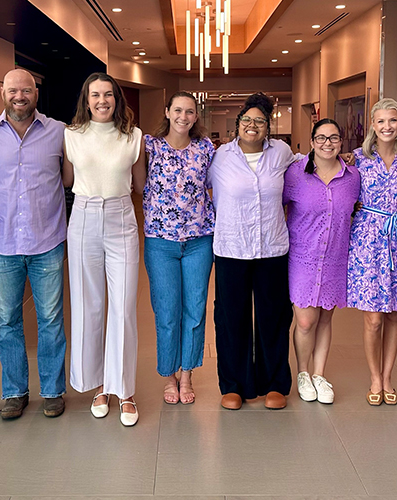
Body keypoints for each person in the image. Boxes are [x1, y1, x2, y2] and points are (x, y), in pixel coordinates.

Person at [0, 68, 68, 420]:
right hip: (1, 242)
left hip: (47, 241)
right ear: (3, 93)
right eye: (13, 90)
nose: (19, 96)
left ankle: (52, 390)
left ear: (36, 93)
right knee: (8, 321)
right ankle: (14, 392)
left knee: (51, 319)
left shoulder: (58, 132)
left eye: (26, 90)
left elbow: (68, 178)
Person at [63, 72, 146, 426]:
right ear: (86, 99)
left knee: (124, 306)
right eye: (95, 95)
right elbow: (67, 180)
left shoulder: (133, 136)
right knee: (88, 305)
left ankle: (124, 390)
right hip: (82, 216)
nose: (102, 101)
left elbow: (139, 184)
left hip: (121, 217)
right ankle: (98, 385)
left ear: (117, 99)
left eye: (108, 95)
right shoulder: (71, 135)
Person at [208, 93, 297, 410]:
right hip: (232, 248)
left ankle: (275, 383)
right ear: (237, 125)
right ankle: (234, 384)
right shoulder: (220, 157)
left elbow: (308, 170)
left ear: (268, 127)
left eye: (260, 121)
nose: (253, 125)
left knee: (274, 317)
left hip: (272, 247)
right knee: (232, 318)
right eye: (247, 120)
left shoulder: (282, 153)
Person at [142, 91, 215, 405]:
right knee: (167, 312)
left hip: (199, 240)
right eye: (178, 111)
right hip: (161, 242)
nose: (183, 117)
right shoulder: (149, 146)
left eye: (189, 112)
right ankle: (169, 375)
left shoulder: (206, 149)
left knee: (195, 310)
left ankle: (187, 375)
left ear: (195, 116)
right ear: (167, 112)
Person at [346, 98, 397, 406]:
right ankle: (374, 376)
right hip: (367, 241)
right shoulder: (358, 159)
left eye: (393, 120)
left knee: (393, 316)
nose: (387, 126)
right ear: (372, 126)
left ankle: (388, 378)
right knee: (373, 319)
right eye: (381, 121)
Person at [283, 119, 360, 404]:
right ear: (312, 141)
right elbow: (276, 206)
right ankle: (303, 373)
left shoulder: (353, 177)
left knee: (326, 317)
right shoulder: (295, 174)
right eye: (321, 138)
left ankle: (319, 374)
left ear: (341, 142)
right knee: (305, 320)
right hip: (301, 256)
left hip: (336, 258)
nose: (327, 143)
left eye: (334, 138)